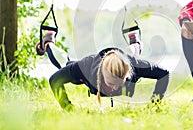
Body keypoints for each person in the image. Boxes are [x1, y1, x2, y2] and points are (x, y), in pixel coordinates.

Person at [36, 31, 169, 111]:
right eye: (111, 83)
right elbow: (54, 80)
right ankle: (48, 42)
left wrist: (155, 104)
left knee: (132, 56)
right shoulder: (85, 67)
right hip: (91, 64)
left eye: (120, 83)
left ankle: (135, 42)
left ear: (127, 75)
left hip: (125, 58)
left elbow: (164, 74)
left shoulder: (134, 67)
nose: (115, 88)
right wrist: (67, 108)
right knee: (64, 63)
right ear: (102, 74)